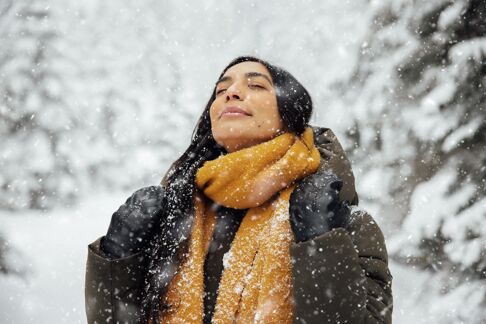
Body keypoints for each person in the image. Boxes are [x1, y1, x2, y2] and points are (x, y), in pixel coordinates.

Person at [85, 56, 393, 324]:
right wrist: (117, 259)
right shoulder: (174, 214)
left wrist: (322, 246)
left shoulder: (340, 218)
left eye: (256, 85)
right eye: (221, 91)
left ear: (290, 114)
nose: (231, 93)